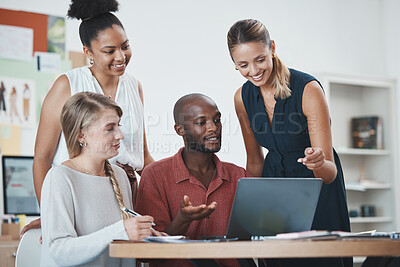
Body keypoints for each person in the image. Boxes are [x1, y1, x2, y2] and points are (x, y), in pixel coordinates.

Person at [22, 0, 154, 234]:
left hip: (127, 195)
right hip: (81, 195)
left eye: (125, 46)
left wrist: (175, 182)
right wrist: (51, 215)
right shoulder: (68, 85)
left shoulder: (135, 86)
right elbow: (42, 157)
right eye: (109, 51)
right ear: (88, 52)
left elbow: (142, 154)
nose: (121, 56)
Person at [227, 19, 351, 267]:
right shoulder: (242, 97)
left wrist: (317, 162)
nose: (253, 71)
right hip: (275, 190)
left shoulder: (308, 90)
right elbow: (254, 160)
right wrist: (249, 209)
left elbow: (329, 173)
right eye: (243, 65)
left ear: (272, 47)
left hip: (317, 190)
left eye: (260, 59)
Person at [40, 92, 160, 266]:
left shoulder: (119, 176)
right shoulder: (60, 178)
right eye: (110, 128)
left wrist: (146, 236)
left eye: (119, 125)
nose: (120, 135)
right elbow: (59, 251)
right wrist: (121, 231)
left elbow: (122, 246)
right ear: (81, 136)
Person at [135, 93, 254, 267]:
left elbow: (263, 235)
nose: (213, 128)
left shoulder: (239, 176)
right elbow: (145, 254)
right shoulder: (154, 175)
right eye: (201, 123)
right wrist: (182, 221)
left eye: (217, 120)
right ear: (179, 130)